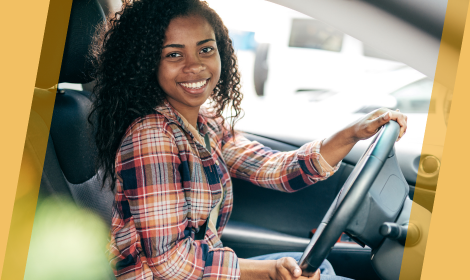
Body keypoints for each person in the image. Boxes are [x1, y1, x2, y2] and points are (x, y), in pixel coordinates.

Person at [89, 0, 408, 279]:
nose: (195, 65)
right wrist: (268, 272)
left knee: (319, 270)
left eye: (205, 49)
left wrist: (353, 133)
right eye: (174, 54)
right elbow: (171, 265)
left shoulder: (204, 124)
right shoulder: (152, 136)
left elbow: (275, 168)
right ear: (147, 64)